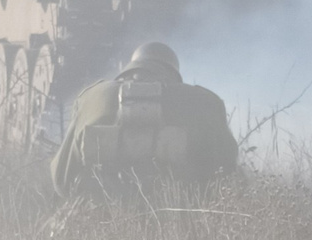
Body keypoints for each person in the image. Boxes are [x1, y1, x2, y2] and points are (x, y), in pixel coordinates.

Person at [51, 40, 238, 197]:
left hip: (102, 219)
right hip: (180, 220)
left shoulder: (92, 97)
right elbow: (227, 169)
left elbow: (61, 179)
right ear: (173, 74)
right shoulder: (203, 101)